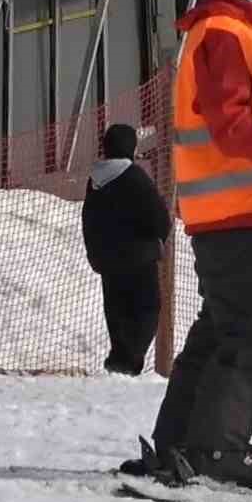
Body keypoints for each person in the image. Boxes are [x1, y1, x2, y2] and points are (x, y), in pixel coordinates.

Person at [120, 0, 252, 493]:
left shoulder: (246, 28)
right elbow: (233, 126)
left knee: (221, 327)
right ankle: (219, 448)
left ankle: (180, 441)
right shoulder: (228, 32)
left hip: (233, 206)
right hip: (234, 207)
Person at [81, 123, 170, 376]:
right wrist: (158, 241)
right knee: (147, 309)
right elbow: (159, 217)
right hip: (138, 257)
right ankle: (127, 360)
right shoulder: (134, 177)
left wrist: (95, 253)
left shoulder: (95, 180)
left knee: (117, 311)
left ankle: (119, 361)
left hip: (107, 260)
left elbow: (89, 217)